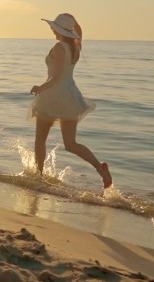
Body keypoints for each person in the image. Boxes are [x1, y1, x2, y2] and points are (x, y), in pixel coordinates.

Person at [28, 13, 112, 189]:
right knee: (71, 144)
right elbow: (79, 32)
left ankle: (39, 177)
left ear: (59, 29)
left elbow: (56, 78)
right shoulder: (76, 47)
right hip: (70, 97)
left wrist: (39, 88)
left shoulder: (59, 48)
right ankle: (99, 167)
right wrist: (73, 21)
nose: (51, 30)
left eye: (54, 27)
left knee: (40, 140)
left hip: (52, 98)